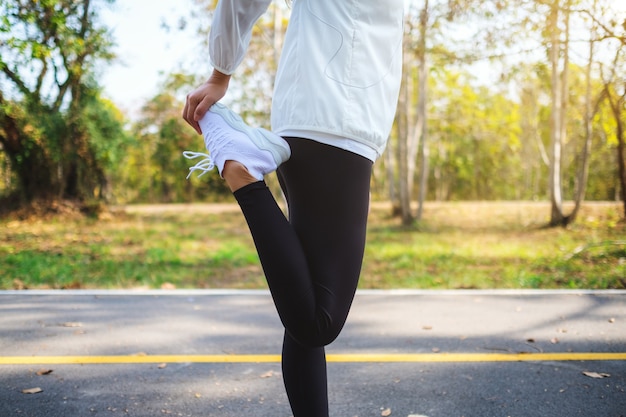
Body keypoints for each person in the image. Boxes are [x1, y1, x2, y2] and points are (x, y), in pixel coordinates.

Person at [182, 0, 404, 416]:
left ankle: (244, 167)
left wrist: (221, 71)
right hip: (340, 116)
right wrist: (219, 71)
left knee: (305, 306)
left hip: (318, 112)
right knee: (318, 320)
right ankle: (242, 174)